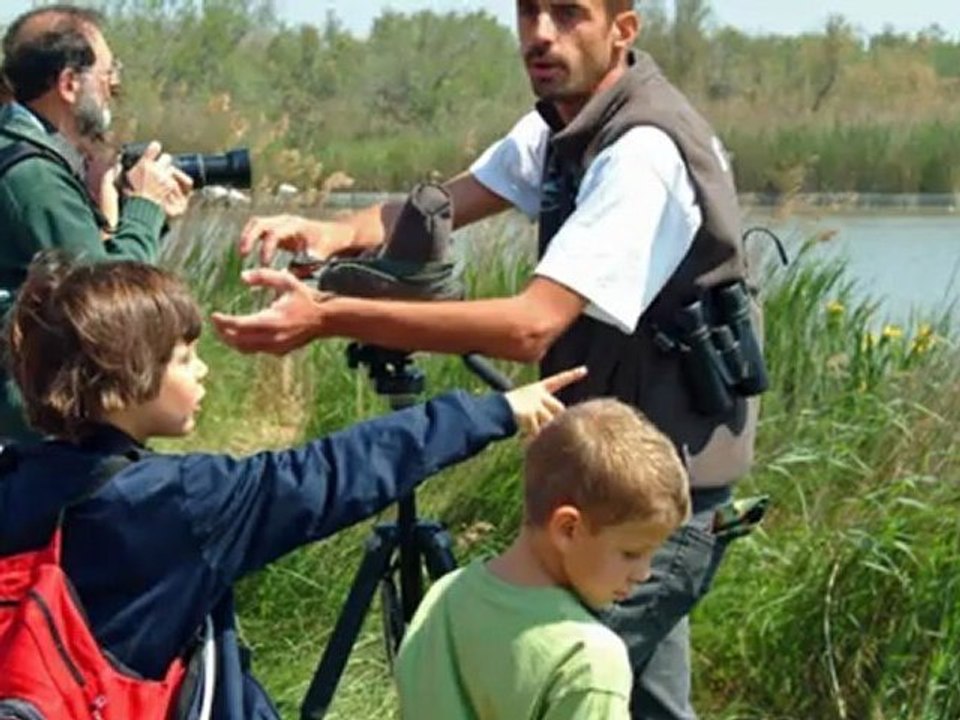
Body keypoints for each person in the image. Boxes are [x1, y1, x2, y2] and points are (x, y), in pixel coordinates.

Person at [213, 0, 765, 716]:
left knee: (560, 684)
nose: (540, 34)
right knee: (648, 704)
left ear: (622, 30)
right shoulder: (563, 122)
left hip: (653, 494)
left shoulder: (642, 152)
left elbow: (532, 326)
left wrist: (327, 317)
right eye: (529, 11)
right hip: (609, 481)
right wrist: (333, 231)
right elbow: (453, 200)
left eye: (568, 15)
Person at [0, 255, 585, 719]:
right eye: (182, 358)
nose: (201, 370)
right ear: (118, 383)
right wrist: (494, 412)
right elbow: (331, 472)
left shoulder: (16, 477)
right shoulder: (185, 502)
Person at [395, 398, 691, 719]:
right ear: (567, 529)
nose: (644, 573)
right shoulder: (589, 661)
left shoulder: (447, 594)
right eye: (631, 553)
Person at [0, 5, 193, 442]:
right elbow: (107, 305)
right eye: (109, 76)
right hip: (24, 430)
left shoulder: (23, 154)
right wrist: (145, 208)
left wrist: (142, 213)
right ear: (69, 84)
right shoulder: (32, 175)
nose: (113, 91)